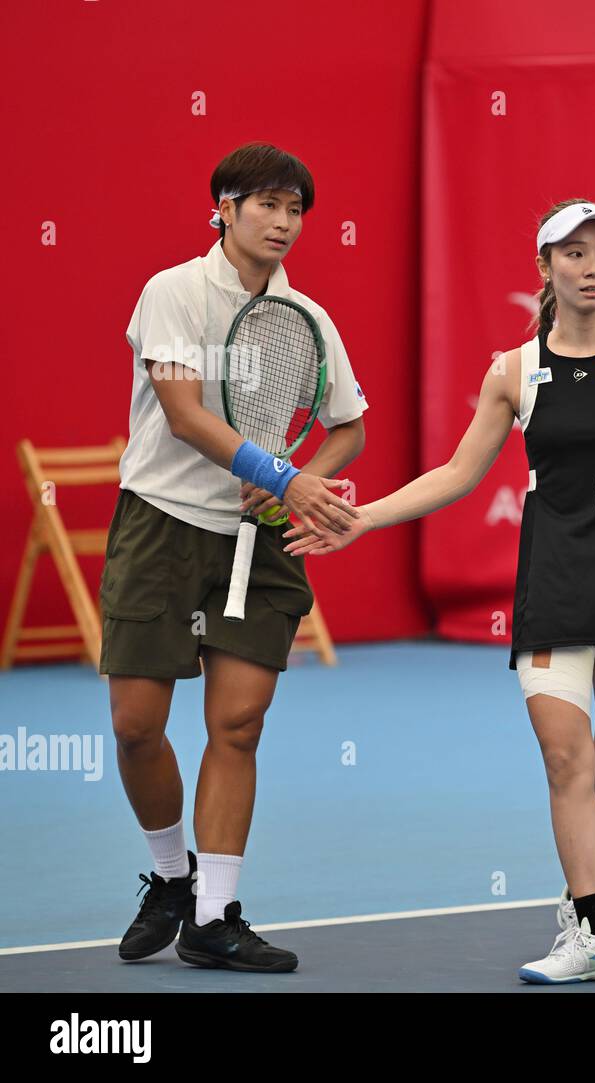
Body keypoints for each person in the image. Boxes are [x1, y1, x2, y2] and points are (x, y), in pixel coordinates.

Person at [284, 199, 595, 983]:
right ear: (546, 267)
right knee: (567, 760)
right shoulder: (513, 370)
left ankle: (582, 906)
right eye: (575, 253)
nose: (593, 267)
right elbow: (458, 473)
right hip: (554, 581)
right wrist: (364, 518)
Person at [106, 141, 366, 972]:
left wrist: (299, 480)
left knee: (238, 725)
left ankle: (215, 915)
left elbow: (349, 425)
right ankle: (170, 874)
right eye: (266, 205)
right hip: (163, 523)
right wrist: (282, 475)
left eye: (296, 209)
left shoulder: (308, 318)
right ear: (223, 206)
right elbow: (183, 413)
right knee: (137, 726)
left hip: (258, 541)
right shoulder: (173, 291)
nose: (283, 223)